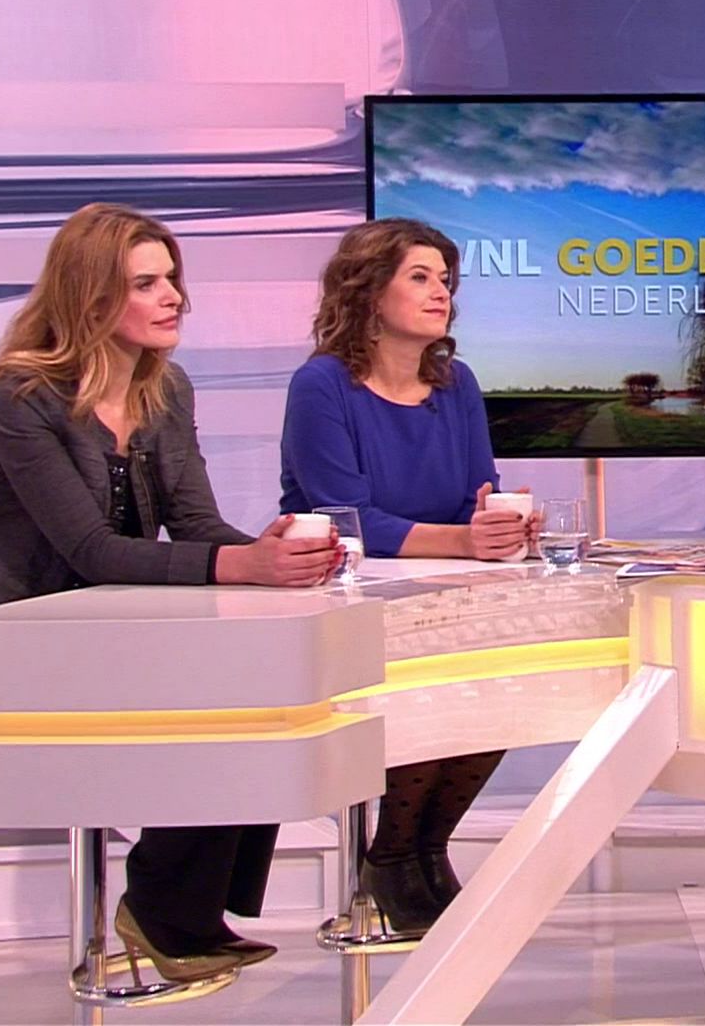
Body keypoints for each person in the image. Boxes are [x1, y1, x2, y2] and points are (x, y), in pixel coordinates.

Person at [0, 203, 341, 982]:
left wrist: (273, 552)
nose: (174, 298)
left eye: (172, 279)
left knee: (270, 683)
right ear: (90, 296)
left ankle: (186, 907)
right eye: (146, 284)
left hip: (120, 621)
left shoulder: (167, 389)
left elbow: (195, 524)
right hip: (18, 634)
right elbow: (90, 551)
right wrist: (241, 567)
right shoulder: (23, 398)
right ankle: (166, 906)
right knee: (227, 693)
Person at [280, 217, 536, 935]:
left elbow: (474, 495)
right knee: (429, 684)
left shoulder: (457, 385)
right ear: (368, 290)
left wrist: (501, 524)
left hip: (443, 591)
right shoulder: (322, 385)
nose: (440, 293)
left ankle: (423, 847)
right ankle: (392, 853)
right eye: (419, 278)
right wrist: (464, 540)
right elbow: (348, 518)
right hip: (348, 596)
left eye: (445, 280)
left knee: (502, 683)